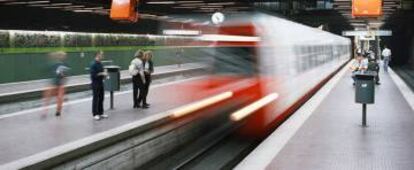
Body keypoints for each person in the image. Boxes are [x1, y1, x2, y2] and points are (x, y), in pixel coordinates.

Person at [43, 51, 69, 116]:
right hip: (57, 83)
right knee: (58, 98)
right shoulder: (62, 64)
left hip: (56, 83)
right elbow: (63, 74)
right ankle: (56, 111)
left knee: (53, 98)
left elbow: (63, 74)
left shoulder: (56, 64)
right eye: (64, 56)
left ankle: (51, 111)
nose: (64, 57)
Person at [90, 51, 108, 120]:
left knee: (101, 98)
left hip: (101, 83)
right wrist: (102, 73)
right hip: (95, 84)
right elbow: (93, 75)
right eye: (102, 54)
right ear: (98, 55)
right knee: (95, 99)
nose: (103, 56)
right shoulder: (93, 64)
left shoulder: (101, 64)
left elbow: (102, 74)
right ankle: (95, 114)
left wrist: (105, 75)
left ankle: (101, 112)